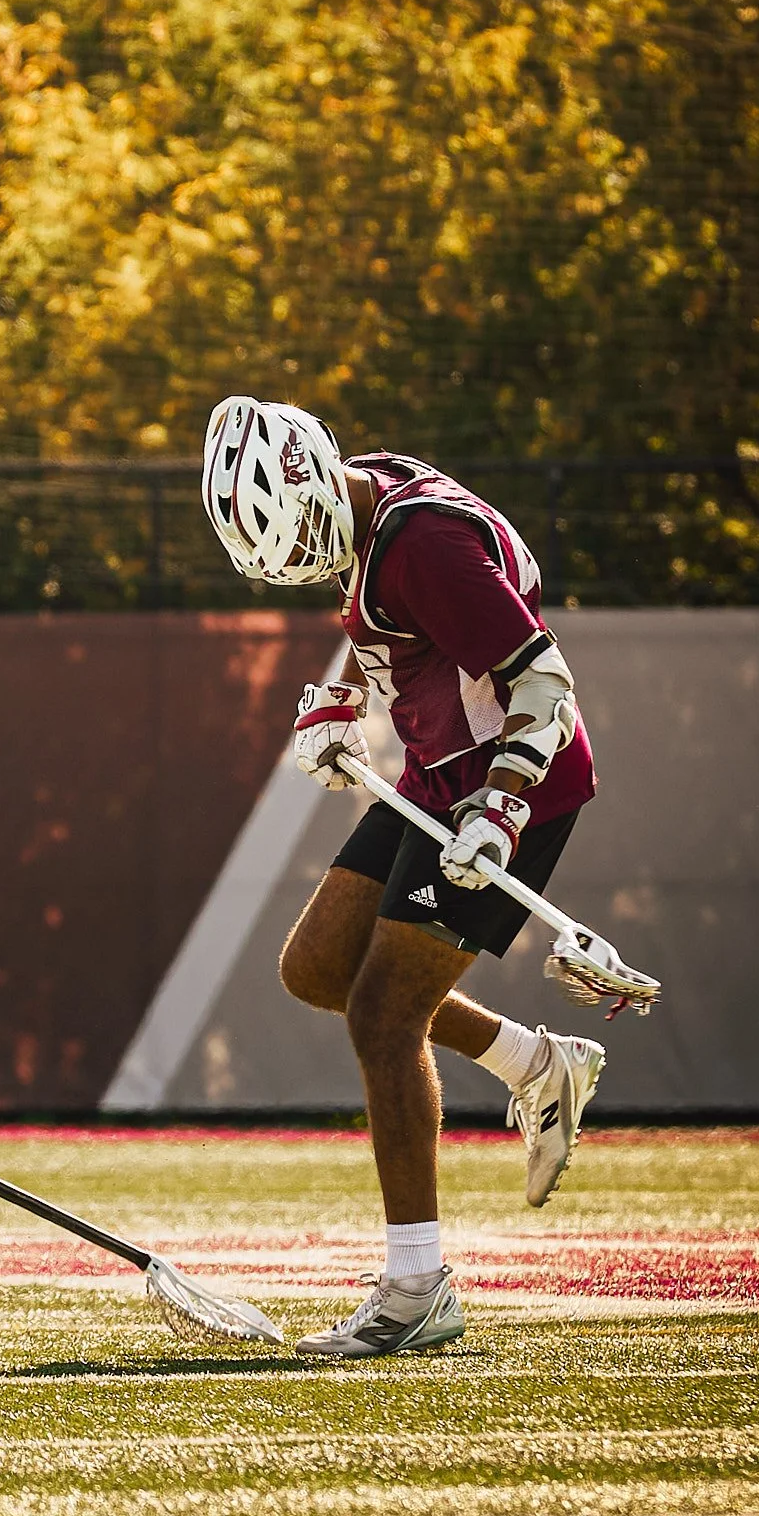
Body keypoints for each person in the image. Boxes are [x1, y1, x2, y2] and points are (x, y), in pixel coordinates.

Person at [202, 397, 605, 1360]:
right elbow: (379, 610)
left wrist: (501, 807)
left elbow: (544, 685)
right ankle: (532, 1062)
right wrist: (342, 696)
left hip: (511, 783)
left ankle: (417, 1287)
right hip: (437, 774)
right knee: (316, 970)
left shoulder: (423, 544)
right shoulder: (371, 485)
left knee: (384, 1016)